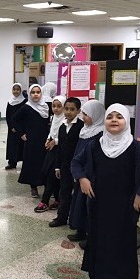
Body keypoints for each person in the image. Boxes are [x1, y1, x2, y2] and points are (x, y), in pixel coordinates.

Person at [72, 103, 140, 279]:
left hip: (124, 207)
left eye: (119, 117)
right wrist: (82, 178)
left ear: (126, 121)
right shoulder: (95, 145)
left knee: (122, 245)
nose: (114, 120)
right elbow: (76, 163)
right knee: (100, 241)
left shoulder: (135, 147)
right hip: (99, 205)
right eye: (110, 116)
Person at [66, 100, 106, 247]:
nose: (83, 117)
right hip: (80, 173)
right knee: (79, 203)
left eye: (86, 114)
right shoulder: (85, 130)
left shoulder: (100, 133)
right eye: (83, 113)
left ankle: (91, 237)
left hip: (91, 175)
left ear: (96, 115)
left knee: (90, 206)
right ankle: (80, 230)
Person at [49, 96, 83, 228]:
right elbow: (60, 149)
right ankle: (61, 217)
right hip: (64, 165)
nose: (68, 112)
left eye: (72, 109)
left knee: (77, 194)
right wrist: (57, 166)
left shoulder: (81, 127)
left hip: (77, 166)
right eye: (66, 109)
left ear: (78, 111)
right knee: (64, 192)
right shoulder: (62, 127)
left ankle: (76, 220)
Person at [11, 83, 49, 198]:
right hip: (32, 141)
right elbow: (14, 120)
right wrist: (21, 133)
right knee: (32, 163)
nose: (35, 94)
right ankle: (33, 187)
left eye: (38, 92)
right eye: (33, 92)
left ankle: (47, 186)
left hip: (44, 139)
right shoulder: (26, 107)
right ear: (29, 94)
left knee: (44, 162)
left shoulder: (46, 107)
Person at [35, 93, 66, 213]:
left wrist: (55, 141)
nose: (56, 109)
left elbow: (66, 137)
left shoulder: (65, 120)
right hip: (51, 149)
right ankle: (58, 200)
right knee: (48, 173)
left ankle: (45, 201)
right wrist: (48, 139)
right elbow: (52, 131)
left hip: (59, 150)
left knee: (51, 176)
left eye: (59, 106)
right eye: (54, 106)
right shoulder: (54, 118)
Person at [4, 82, 27, 170]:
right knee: (12, 145)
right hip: (12, 129)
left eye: (18, 89)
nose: (16, 91)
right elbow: (8, 116)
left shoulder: (24, 102)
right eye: (14, 89)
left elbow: (25, 115)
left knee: (22, 146)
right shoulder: (10, 102)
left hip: (21, 128)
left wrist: (22, 128)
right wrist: (11, 127)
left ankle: (24, 163)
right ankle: (12, 163)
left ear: (21, 91)